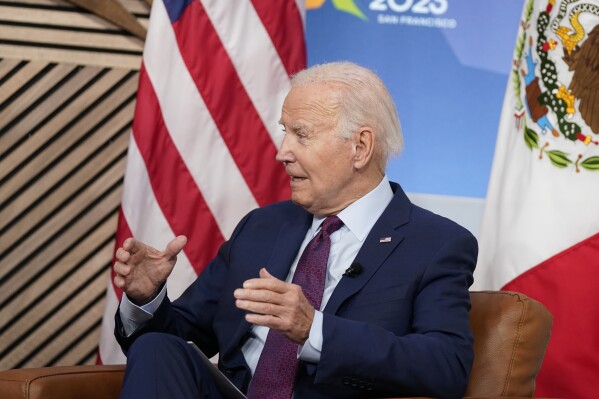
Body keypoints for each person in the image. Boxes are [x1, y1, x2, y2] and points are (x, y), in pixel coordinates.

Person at [113, 61, 478, 399]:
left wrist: (313, 330)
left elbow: (446, 364)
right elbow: (179, 342)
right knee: (155, 346)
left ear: (361, 147)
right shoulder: (262, 227)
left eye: (301, 135)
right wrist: (146, 300)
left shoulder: (436, 244)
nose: (282, 152)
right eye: (285, 133)